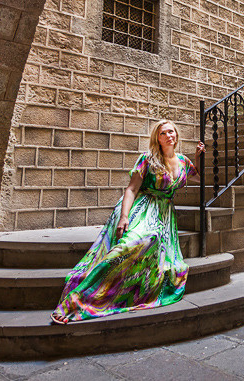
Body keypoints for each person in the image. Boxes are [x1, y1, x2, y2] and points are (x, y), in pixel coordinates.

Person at [50, 119, 204, 324]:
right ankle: (77, 302)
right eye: (163, 133)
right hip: (144, 208)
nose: (169, 135)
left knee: (159, 256)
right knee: (128, 246)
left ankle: (124, 290)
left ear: (176, 135)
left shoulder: (184, 161)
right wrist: (124, 216)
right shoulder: (148, 159)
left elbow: (199, 178)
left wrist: (198, 157)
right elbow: (131, 189)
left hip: (165, 214)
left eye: (171, 132)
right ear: (157, 139)